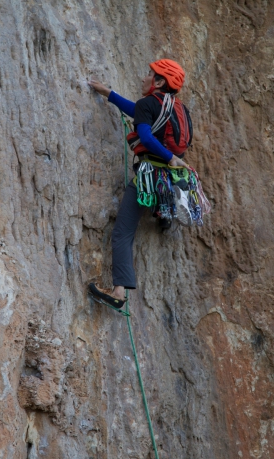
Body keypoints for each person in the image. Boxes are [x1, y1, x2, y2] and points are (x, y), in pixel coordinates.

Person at [88, 59, 192, 309]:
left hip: (149, 176)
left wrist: (169, 158)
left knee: (122, 232)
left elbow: (145, 133)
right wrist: (108, 93)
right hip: (171, 182)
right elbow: (140, 112)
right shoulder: (179, 109)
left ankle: (118, 293)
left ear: (158, 82)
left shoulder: (149, 103)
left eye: (149, 75)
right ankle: (163, 213)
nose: (144, 78)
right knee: (156, 197)